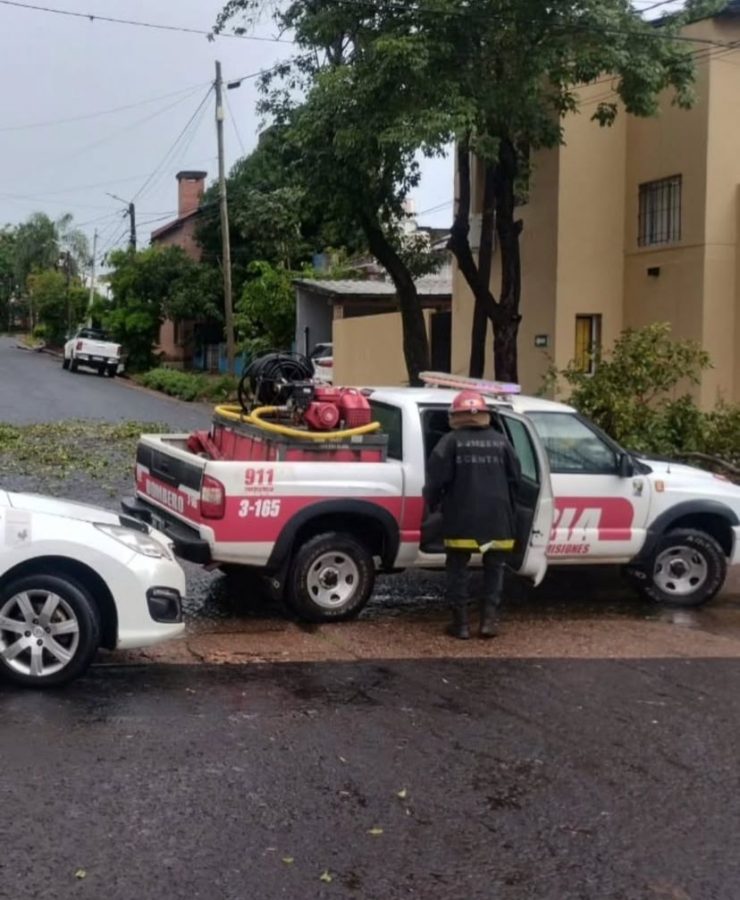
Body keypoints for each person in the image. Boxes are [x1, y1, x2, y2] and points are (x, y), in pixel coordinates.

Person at [423, 390, 521, 640]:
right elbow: (516, 478)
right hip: (498, 516)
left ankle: (462, 625)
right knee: (495, 567)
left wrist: (431, 507)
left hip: (462, 515)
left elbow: (435, 481)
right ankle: (488, 622)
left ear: (456, 415)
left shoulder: (450, 442)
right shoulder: (502, 441)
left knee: (457, 569)